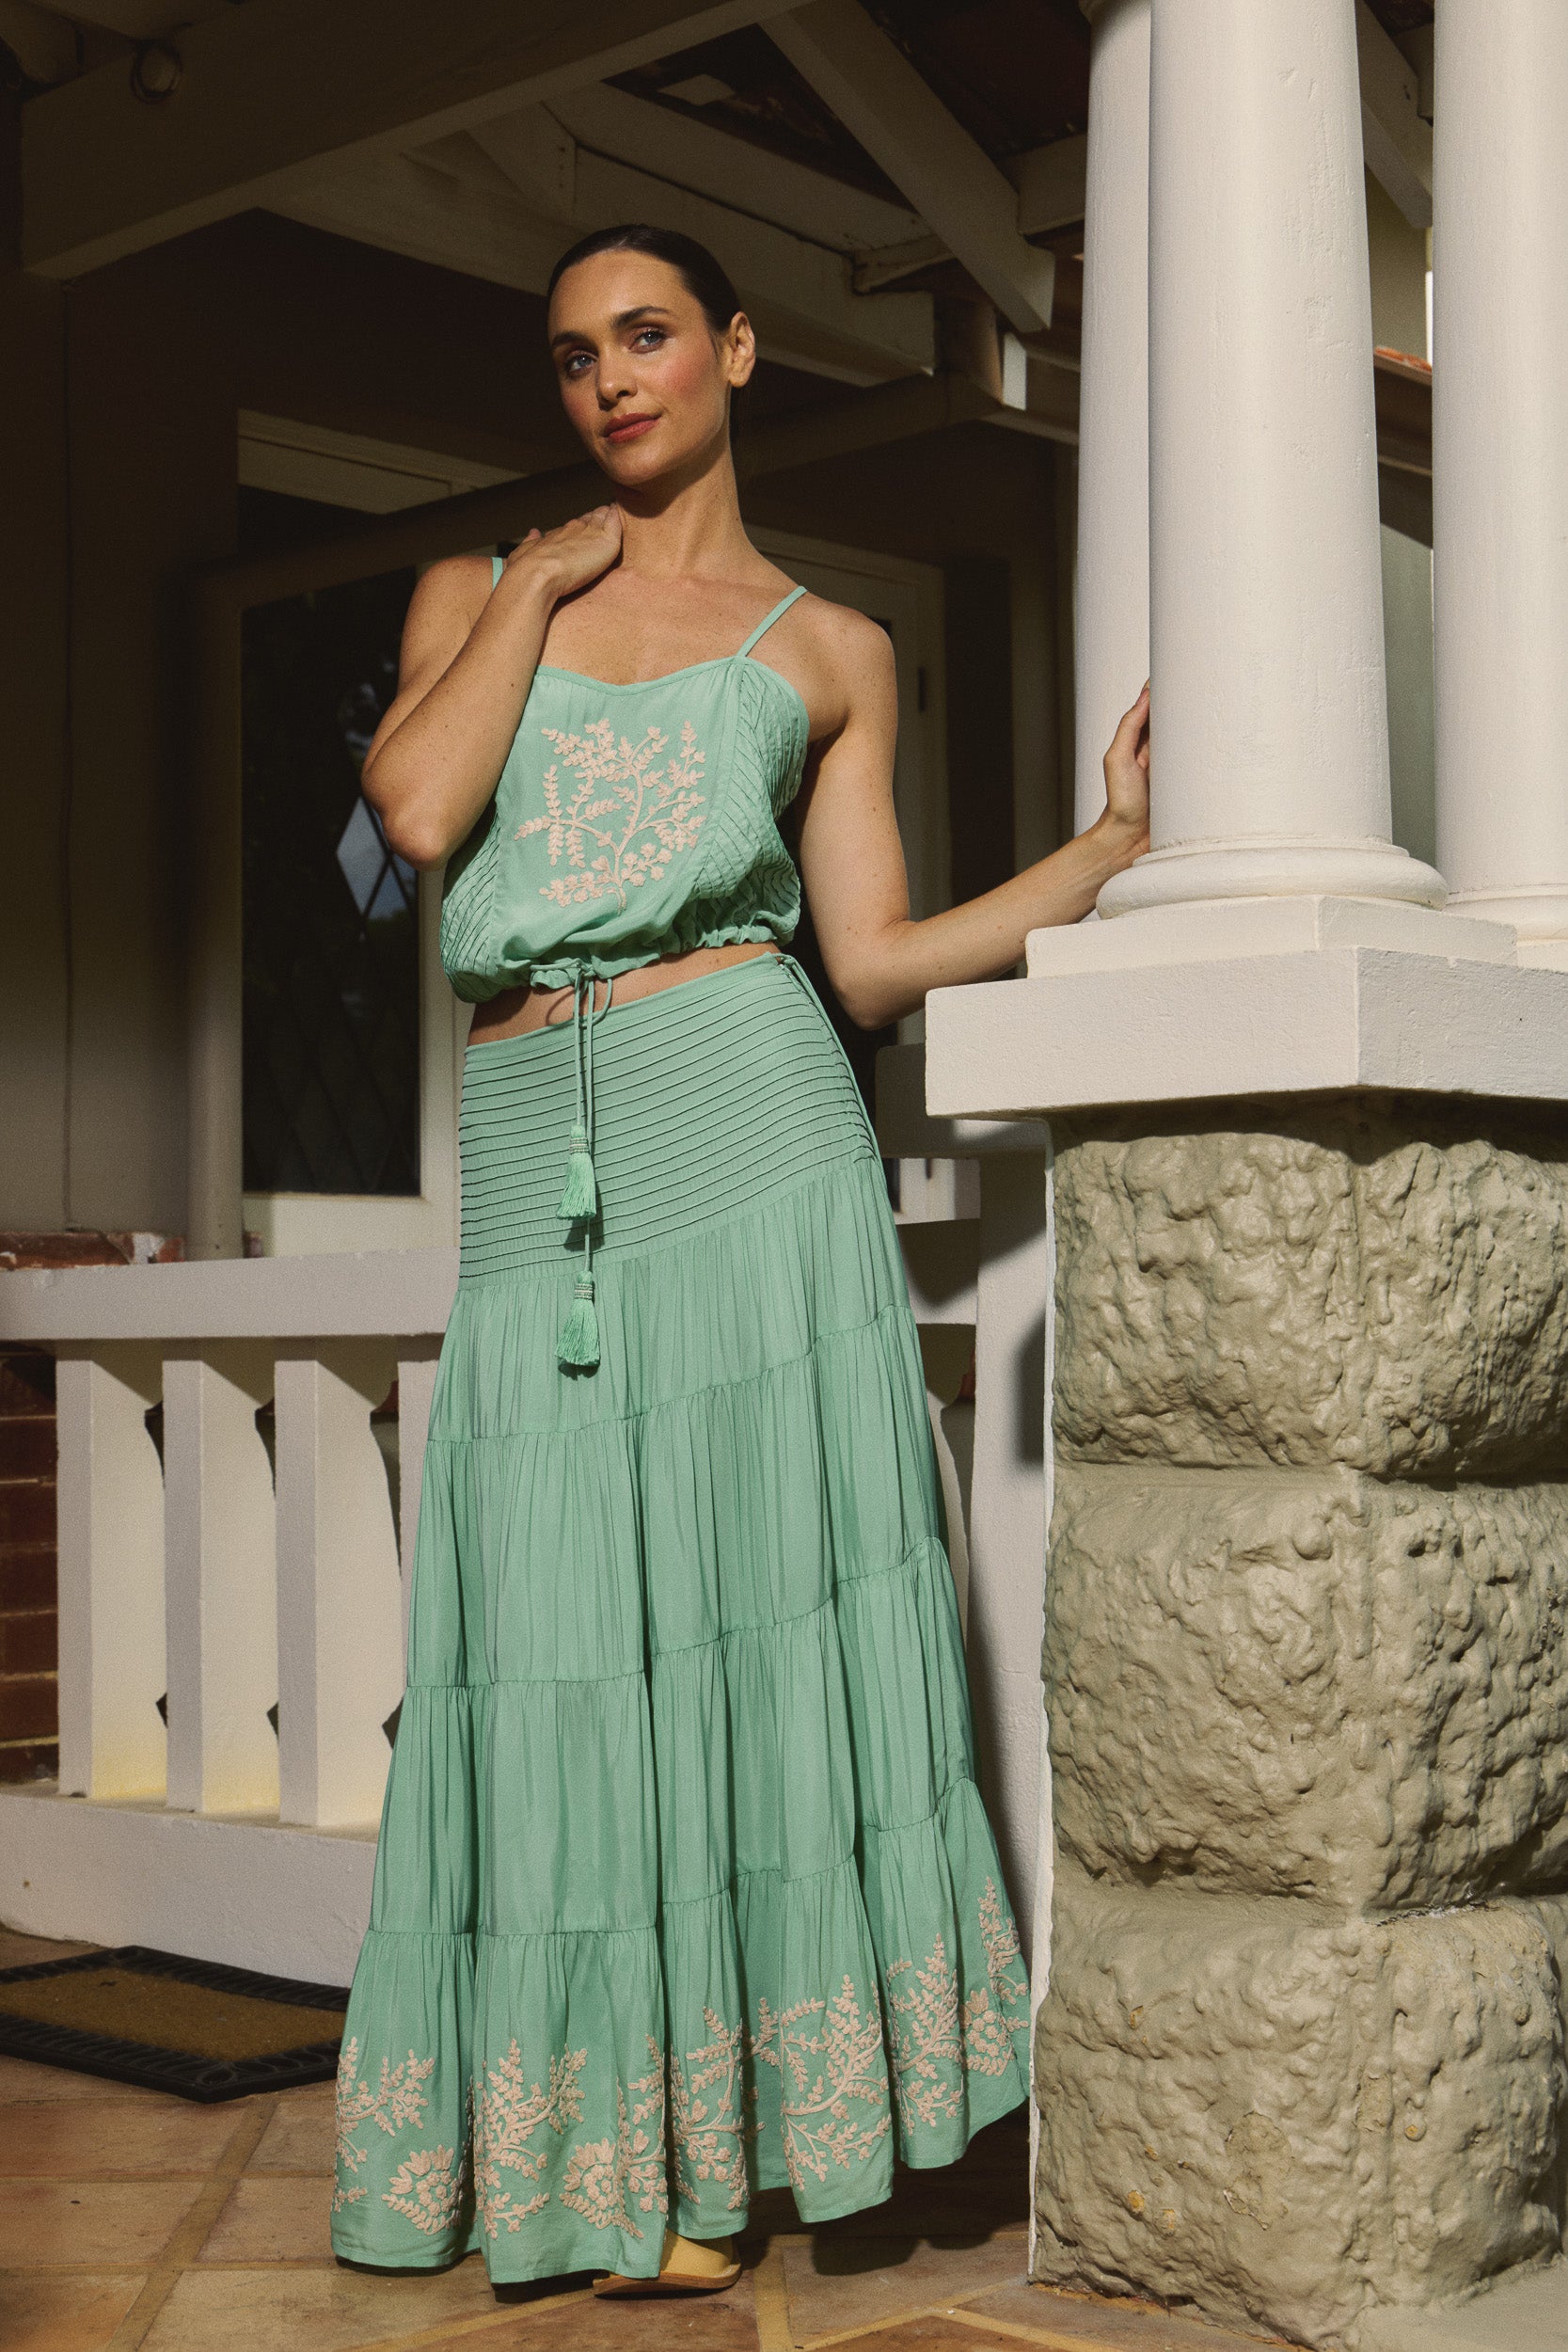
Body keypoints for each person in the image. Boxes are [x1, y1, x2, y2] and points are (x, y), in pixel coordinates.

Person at [327, 220, 1151, 2297]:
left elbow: (865, 961)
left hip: (763, 1126)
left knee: (750, 1614)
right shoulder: (474, 591)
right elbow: (421, 813)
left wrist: (1109, 852)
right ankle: (618, 2139)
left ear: (739, 350)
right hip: (542, 1156)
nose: (612, 379)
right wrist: (530, 583)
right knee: (555, 1631)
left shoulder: (831, 647)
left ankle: (756, 2146)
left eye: (650, 336)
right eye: (575, 353)